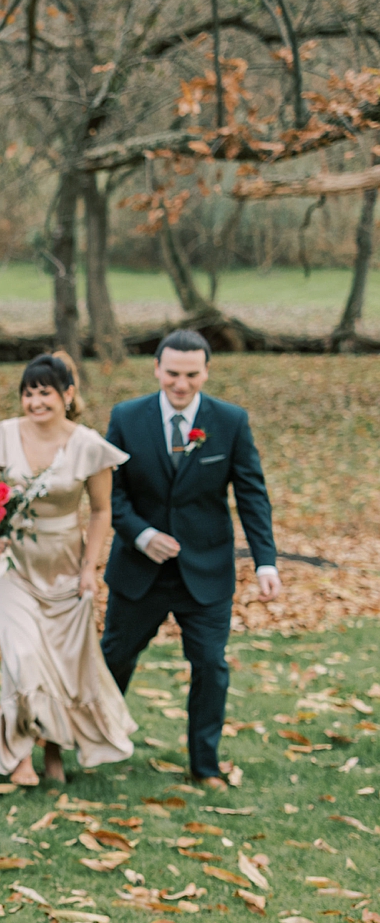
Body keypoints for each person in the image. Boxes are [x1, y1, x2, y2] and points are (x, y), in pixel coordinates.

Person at [101, 329, 279, 787]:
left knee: (211, 666)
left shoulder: (230, 421)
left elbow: (252, 494)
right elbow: (110, 495)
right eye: (173, 374)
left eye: (191, 375)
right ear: (157, 369)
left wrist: (265, 562)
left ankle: (205, 765)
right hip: (140, 570)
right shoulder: (126, 417)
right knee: (115, 658)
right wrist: (141, 536)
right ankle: (94, 740)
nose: (181, 384)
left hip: (206, 570)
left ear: (206, 371)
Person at [0, 354, 136, 785]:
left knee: (62, 665)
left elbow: (101, 512)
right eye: (28, 393)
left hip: (64, 564)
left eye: (45, 392)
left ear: (67, 395)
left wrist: (88, 568)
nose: (35, 401)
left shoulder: (89, 445)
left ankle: (55, 750)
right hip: (11, 565)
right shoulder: (3, 436)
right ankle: (17, 753)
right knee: (22, 658)